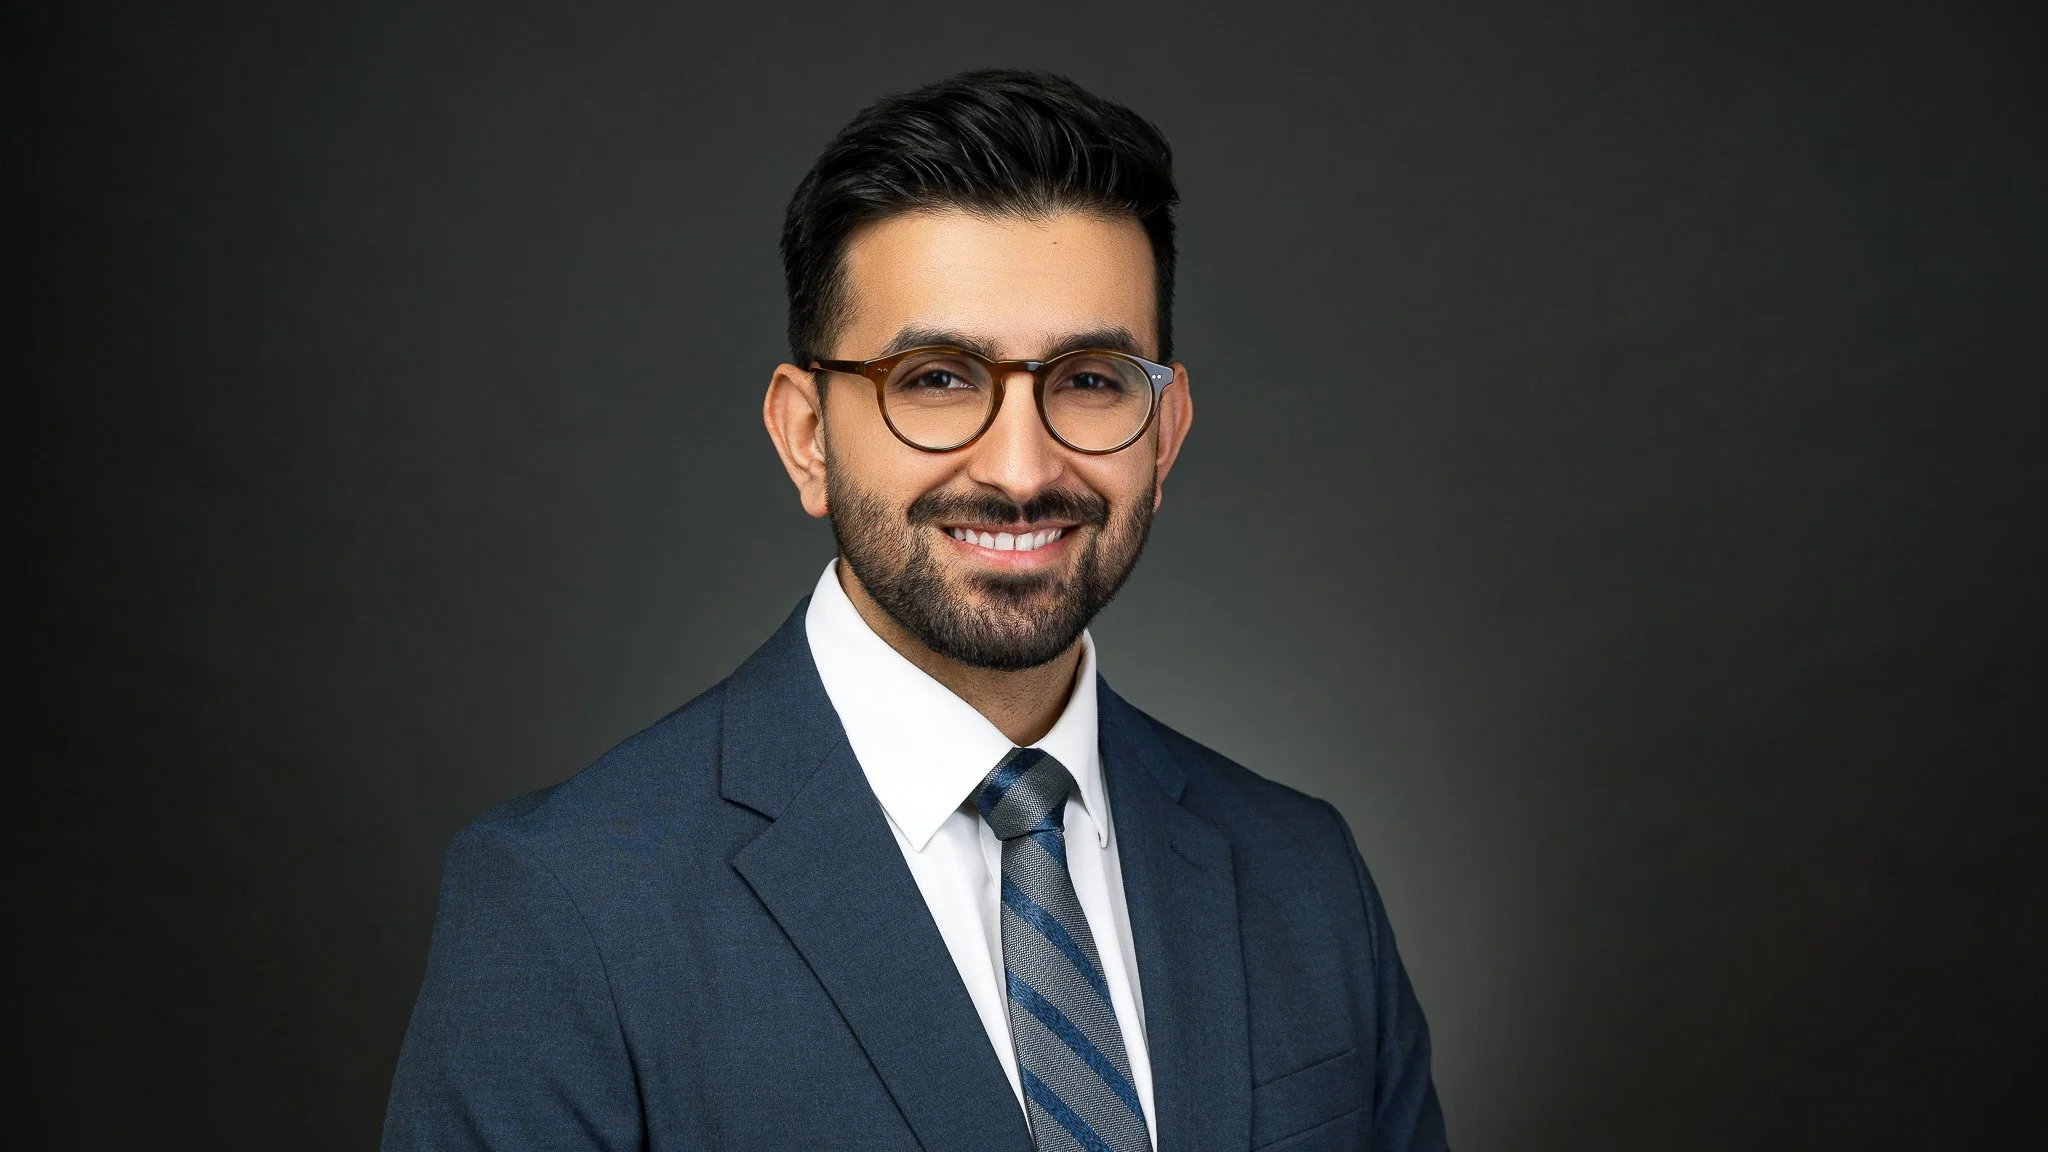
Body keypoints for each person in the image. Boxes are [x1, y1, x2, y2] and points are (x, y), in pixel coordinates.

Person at [383, 69, 1448, 1152]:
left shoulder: (1301, 874)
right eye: (936, 378)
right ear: (807, 436)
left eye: (1087, 378)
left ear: (1162, 433)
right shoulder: (568, 905)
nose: (1021, 468)